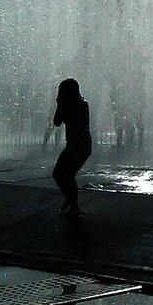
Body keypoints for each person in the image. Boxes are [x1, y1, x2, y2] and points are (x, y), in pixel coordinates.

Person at [51, 79, 92, 216]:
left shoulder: (82, 106)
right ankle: (71, 202)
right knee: (59, 174)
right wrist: (59, 105)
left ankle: (73, 205)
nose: (60, 93)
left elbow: (73, 122)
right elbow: (56, 122)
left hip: (81, 146)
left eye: (62, 91)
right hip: (74, 146)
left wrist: (61, 106)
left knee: (66, 175)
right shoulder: (67, 106)